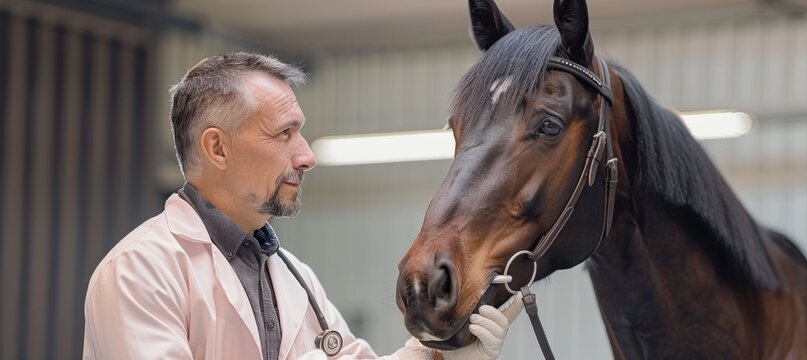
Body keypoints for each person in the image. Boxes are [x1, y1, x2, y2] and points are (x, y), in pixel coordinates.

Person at [82, 52, 523, 360]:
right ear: (217, 148)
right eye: (284, 134)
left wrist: (446, 354)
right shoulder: (140, 271)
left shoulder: (292, 276)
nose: (307, 156)